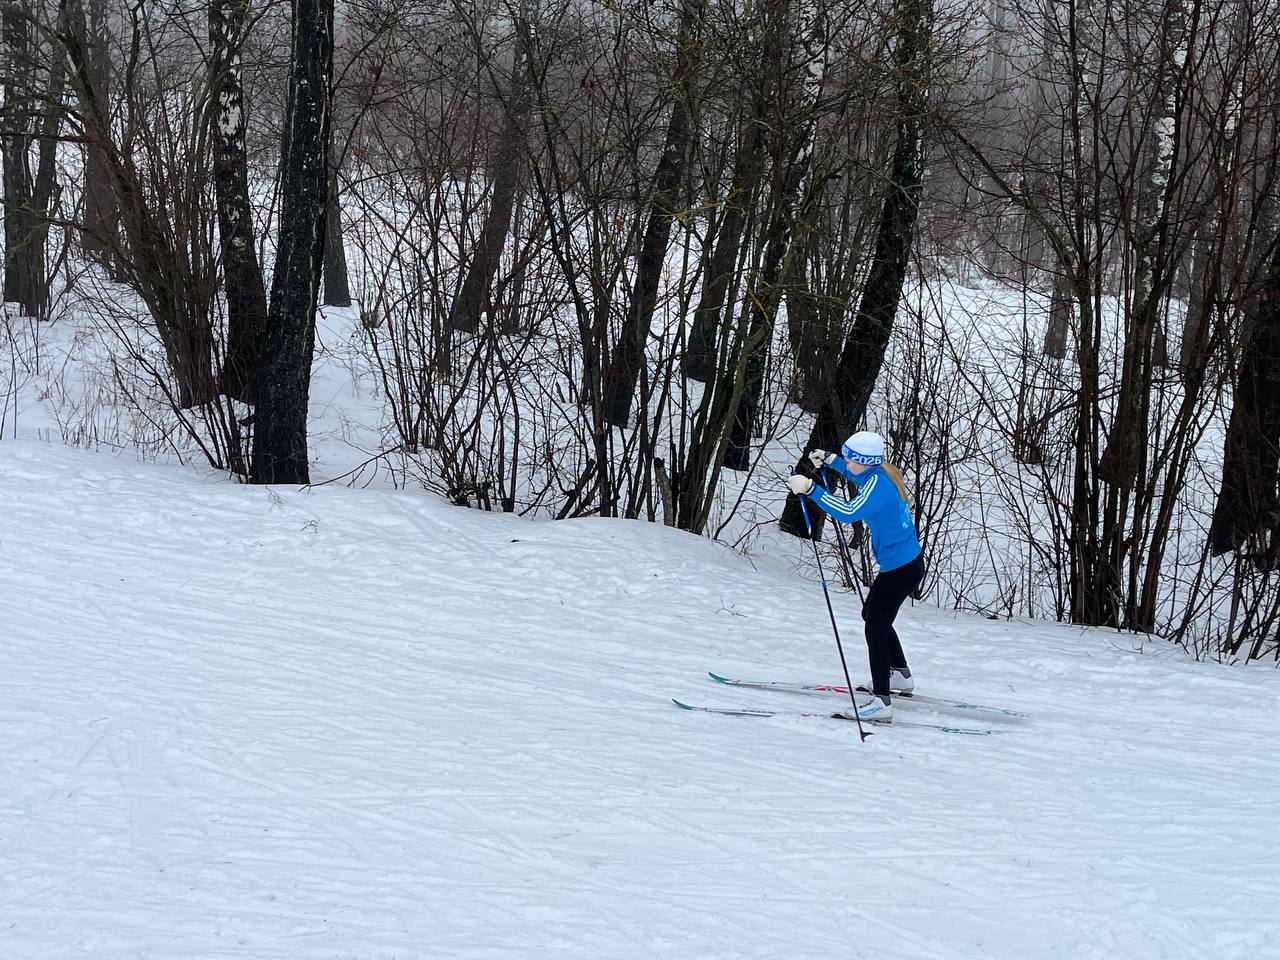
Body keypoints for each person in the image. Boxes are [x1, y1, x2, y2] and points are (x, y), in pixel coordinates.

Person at [786, 430, 924, 723]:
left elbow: (848, 512)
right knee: (872, 615)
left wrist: (811, 490)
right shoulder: (876, 473)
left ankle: (882, 703)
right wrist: (831, 459)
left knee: (875, 626)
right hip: (902, 564)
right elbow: (855, 474)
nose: (847, 464)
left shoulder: (878, 487)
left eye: (850, 459)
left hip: (901, 568)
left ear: (864, 461)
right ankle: (900, 674)